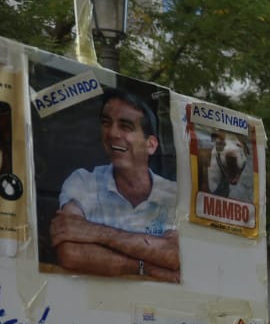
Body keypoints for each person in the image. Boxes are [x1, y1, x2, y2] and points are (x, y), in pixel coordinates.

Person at [49, 89, 181, 282]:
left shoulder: (173, 194)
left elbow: (175, 255)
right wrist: (145, 266)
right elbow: (71, 253)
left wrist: (94, 232)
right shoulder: (83, 182)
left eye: (125, 126)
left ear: (151, 145)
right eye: (106, 123)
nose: (112, 133)